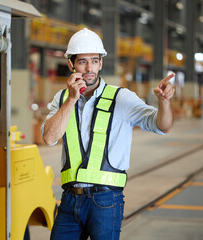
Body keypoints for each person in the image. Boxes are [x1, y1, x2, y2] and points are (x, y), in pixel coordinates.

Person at [41, 28, 175, 240]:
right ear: (71, 64)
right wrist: (71, 100)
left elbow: (162, 125)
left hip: (105, 201)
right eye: (82, 61)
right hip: (69, 199)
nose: (89, 68)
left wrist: (164, 102)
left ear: (101, 63)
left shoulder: (122, 98)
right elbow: (49, 138)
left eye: (94, 61)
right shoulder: (62, 98)